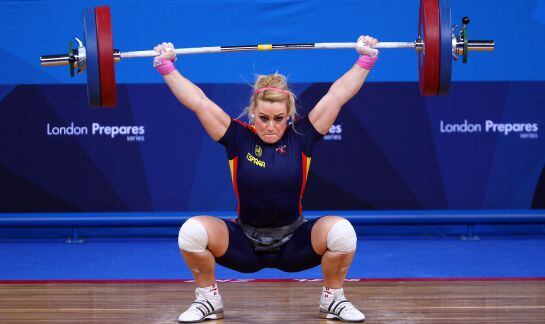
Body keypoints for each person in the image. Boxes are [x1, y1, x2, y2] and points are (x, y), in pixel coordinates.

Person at [153, 35, 379, 323]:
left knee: (343, 232)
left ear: (289, 116)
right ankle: (208, 298)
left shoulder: (303, 136)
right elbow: (198, 101)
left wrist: (365, 60)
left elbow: (337, 95)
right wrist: (166, 67)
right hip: (244, 243)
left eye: (278, 118)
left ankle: (333, 298)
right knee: (191, 233)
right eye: (263, 118)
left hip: (294, 243)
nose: (270, 126)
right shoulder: (237, 137)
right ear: (252, 114)